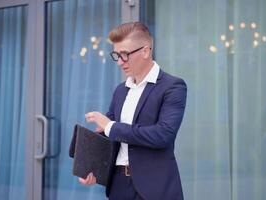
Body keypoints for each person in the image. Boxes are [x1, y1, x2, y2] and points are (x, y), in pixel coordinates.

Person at [80, 21, 187, 200]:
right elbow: (108, 135)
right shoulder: (121, 90)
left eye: (125, 54)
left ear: (145, 51)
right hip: (119, 185)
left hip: (155, 188)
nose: (120, 62)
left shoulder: (173, 87)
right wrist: (91, 167)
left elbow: (163, 135)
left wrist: (111, 127)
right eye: (116, 55)